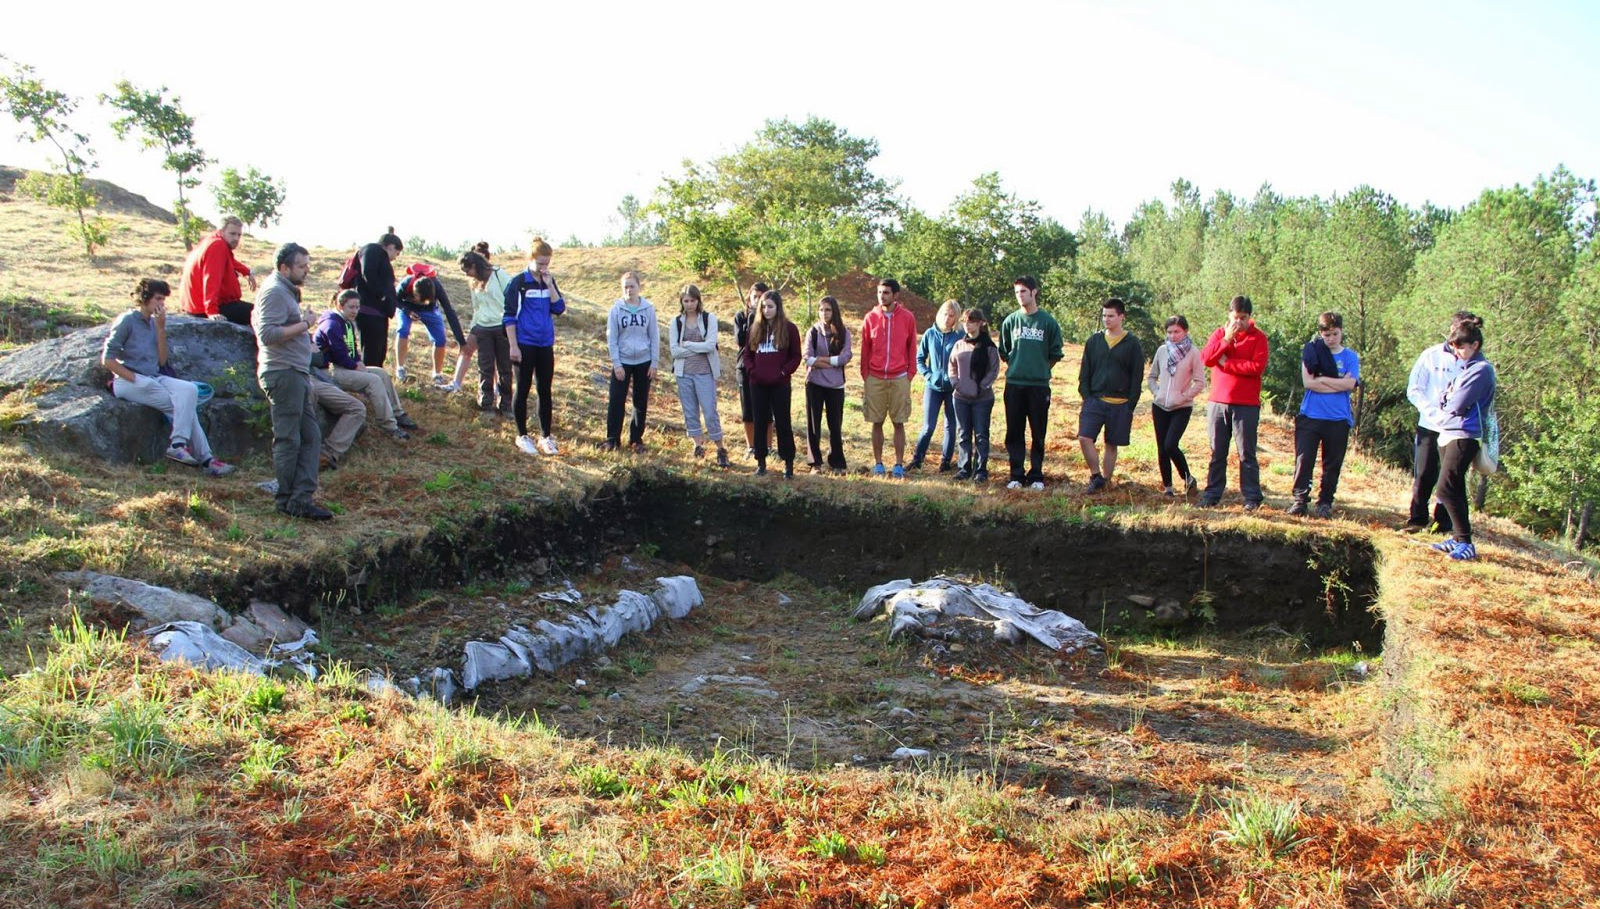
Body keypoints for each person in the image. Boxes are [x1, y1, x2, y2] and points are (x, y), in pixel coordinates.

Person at [102, 278, 234, 476]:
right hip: (128, 381)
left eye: (163, 300)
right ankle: (206, 460)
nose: (161, 304)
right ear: (144, 298)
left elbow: (162, 361)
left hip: (152, 377)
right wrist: (134, 378)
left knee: (189, 390)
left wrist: (161, 329)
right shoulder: (127, 320)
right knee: (182, 406)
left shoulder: (153, 324)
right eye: (158, 299)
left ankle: (179, 444)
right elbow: (107, 359)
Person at [252, 243, 332, 520]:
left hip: (293, 372)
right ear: (284, 267)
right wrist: (305, 324)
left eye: (307, 264)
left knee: (310, 436)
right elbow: (268, 334)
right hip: (283, 373)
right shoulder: (274, 291)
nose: (307, 270)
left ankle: (300, 499)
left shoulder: (283, 291)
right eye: (301, 265)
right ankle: (287, 501)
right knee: (289, 439)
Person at [1402, 311, 1476, 533]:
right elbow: (1414, 389)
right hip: (1430, 425)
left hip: (1457, 431)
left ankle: (1443, 523)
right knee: (1424, 473)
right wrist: (1432, 412)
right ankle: (1417, 519)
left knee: (1451, 477)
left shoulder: (1475, 363)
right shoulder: (1431, 355)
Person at [313, 290, 419, 441]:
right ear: (340, 305)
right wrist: (355, 366)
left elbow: (352, 348)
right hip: (329, 372)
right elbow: (338, 354)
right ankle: (389, 426)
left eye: (357, 307)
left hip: (344, 367)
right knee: (373, 380)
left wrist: (358, 362)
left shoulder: (347, 322)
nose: (355, 311)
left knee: (380, 373)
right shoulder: (331, 324)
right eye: (351, 307)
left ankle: (397, 413)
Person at [1430, 316, 1495, 561]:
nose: (1456, 352)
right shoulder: (1466, 369)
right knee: (1454, 487)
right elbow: (1445, 398)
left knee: (1445, 487)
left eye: (1461, 347)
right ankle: (1458, 539)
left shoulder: (1481, 370)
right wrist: (1448, 398)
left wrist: (1449, 398)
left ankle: (1466, 541)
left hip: (1465, 435)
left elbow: (1455, 402)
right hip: (1451, 432)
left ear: (1475, 345)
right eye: (1454, 347)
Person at [1198, 295, 1270, 510]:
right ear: (1229, 315)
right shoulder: (1220, 333)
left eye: (1243, 318)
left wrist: (1228, 363)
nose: (1238, 322)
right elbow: (1206, 359)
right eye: (1235, 317)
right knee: (1217, 451)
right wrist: (1226, 341)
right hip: (1218, 403)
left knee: (1246, 452)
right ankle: (1211, 495)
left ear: (1250, 317)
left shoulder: (1259, 338)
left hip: (1246, 404)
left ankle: (1251, 497)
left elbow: (1256, 367)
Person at [1288, 312, 1360, 518]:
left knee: (1332, 463)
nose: (1331, 339)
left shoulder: (1350, 356)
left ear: (1341, 332)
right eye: (1327, 334)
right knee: (1304, 459)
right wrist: (1338, 384)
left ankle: (1325, 502)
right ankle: (1300, 500)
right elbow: (1309, 382)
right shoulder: (1312, 351)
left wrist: (1323, 381)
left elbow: (1350, 384)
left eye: (1335, 334)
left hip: (1338, 418)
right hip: (1311, 414)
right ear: (1321, 333)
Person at [998, 275, 1063, 490]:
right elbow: (1005, 351)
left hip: (1038, 386)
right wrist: (1019, 366)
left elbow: (1055, 353)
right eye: (1016, 292)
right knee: (1014, 431)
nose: (1020, 296)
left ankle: (1036, 475)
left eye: (1023, 292)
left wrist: (1040, 369)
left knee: (1038, 432)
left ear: (1034, 292)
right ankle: (1016, 474)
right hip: (1014, 384)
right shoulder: (1010, 321)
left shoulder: (1048, 322)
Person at [503, 237, 566, 456]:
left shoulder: (548, 280)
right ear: (530, 259)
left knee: (544, 390)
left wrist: (549, 285)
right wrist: (513, 346)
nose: (543, 267)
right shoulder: (518, 282)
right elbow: (509, 317)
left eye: (547, 263)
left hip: (545, 343)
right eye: (540, 263)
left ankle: (545, 437)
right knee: (523, 388)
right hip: (524, 343)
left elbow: (559, 308)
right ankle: (522, 435)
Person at [1077, 297, 1145, 492]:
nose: (1107, 319)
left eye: (1111, 316)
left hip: (1121, 402)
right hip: (1095, 400)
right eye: (1104, 315)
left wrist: (1130, 403)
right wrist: (1087, 396)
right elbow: (1085, 371)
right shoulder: (1094, 341)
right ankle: (1095, 475)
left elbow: (1137, 375)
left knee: (1111, 444)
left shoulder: (1131, 343)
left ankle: (1105, 480)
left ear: (1121, 317)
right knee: (1084, 437)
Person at [860, 278, 918, 478]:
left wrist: (910, 374)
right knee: (876, 421)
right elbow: (865, 348)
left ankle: (899, 464)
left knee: (898, 422)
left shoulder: (908, 317)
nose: (881, 296)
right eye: (879, 292)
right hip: (875, 377)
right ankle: (878, 463)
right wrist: (865, 375)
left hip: (900, 377)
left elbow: (912, 346)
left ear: (895, 295)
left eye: (886, 292)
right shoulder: (870, 318)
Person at [742, 289, 802, 477]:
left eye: (770, 306)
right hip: (758, 383)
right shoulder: (755, 328)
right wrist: (753, 371)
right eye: (764, 307)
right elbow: (747, 354)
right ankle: (761, 462)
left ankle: (788, 464)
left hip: (780, 383)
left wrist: (783, 372)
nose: (767, 310)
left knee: (783, 422)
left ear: (778, 307)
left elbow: (795, 356)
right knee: (760, 421)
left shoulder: (789, 328)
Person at [668, 283, 729, 466]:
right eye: (686, 301)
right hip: (684, 373)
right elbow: (675, 352)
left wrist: (688, 345)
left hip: (705, 372)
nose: (689, 304)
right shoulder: (676, 322)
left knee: (710, 411)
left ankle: (720, 448)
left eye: (692, 300)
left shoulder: (709, 319)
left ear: (698, 300)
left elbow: (710, 345)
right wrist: (696, 349)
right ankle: (698, 446)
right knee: (690, 411)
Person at [1145, 315, 1207, 496]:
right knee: (1161, 447)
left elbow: (1200, 382)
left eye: (1177, 332)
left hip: (1181, 407)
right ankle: (1168, 487)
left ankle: (1187, 478)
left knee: (1170, 444)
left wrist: (1183, 397)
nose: (1173, 335)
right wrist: (1157, 392)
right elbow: (1151, 376)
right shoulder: (1162, 350)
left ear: (1185, 331)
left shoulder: (1193, 353)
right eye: (1170, 332)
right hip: (1160, 406)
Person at [603, 271, 660, 452]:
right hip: (623, 361)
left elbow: (654, 336)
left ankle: (636, 440)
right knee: (616, 400)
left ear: (639, 287)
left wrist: (654, 362)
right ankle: (613, 439)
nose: (629, 290)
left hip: (644, 360)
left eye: (632, 286)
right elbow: (612, 338)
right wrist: (616, 363)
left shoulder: (648, 308)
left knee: (640, 401)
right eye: (625, 286)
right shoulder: (616, 309)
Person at [459, 250, 514, 417]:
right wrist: (473, 329)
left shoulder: (499, 275)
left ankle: (506, 405)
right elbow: (477, 309)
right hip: (483, 329)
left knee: (505, 367)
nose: (467, 275)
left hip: (502, 327)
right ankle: (486, 404)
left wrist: (513, 324)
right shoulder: (474, 283)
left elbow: (513, 299)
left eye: (468, 270)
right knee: (485, 367)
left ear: (475, 265)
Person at [394, 263, 467, 387]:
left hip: (429, 310)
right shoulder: (406, 283)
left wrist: (461, 340)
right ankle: (400, 368)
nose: (420, 302)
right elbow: (394, 299)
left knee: (440, 339)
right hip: (406, 307)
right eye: (418, 298)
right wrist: (407, 311)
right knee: (403, 330)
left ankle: (437, 374)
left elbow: (449, 311)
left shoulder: (437, 287)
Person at [947, 308, 999, 482]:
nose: (967, 325)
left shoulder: (989, 347)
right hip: (961, 397)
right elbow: (952, 366)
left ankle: (981, 469)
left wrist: (983, 386)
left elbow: (993, 370)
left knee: (981, 434)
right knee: (963, 433)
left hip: (982, 398)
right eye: (965, 321)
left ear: (980, 323)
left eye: (971, 321)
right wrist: (956, 383)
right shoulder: (959, 345)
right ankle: (964, 468)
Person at [802, 295, 853, 473]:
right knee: (814, 424)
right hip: (815, 383)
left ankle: (837, 462)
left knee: (835, 425)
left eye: (828, 310)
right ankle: (815, 463)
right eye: (821, 309)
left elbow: (846, 357)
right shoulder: (813, 332)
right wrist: (832, 362)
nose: (824, 313)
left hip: (836, 385)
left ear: (834, 311)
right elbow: (807, 358)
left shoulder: (844, 332)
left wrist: (821, 361)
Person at [910, 300, 961, 472]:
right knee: (928, 426)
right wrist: (928, 375)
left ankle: (945, 462)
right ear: (940, 314)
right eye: (945, 314)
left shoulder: (959, 336)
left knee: (950, 425)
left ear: (956, 318)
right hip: (933, 386)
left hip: (953, 388)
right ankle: (917, 459)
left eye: (952, 315)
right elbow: (919, 359)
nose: (948, 318)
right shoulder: (930, 334)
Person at [178, 216, 256, 325]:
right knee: (265, 314)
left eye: (239, 235)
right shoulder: (218, 246)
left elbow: (230, 261)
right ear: (221, 231)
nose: (236, 238)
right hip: (204, 309)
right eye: (232, 234)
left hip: (194, 307)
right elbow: (211, 279)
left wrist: (247, 272)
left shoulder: (212, 241)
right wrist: (212, 312)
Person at [351, 229, 405, 368]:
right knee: (371, 352)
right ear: (390, 246)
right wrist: (382, 296)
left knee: (379, 352)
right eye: (396, 253)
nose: (394, 258)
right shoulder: (372, 249)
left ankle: (375, 383)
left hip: (378, 313)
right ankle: (367, 384)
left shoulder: (377, 254)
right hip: (370, 311)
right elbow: (368, 273)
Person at [733, 282, 770, 458]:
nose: (757, 300)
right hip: (744, 367)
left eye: (761, 297)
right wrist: (751, 319)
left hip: (765, 367)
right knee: (748, 409)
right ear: (749, 298)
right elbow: (740, 340)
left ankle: (768, 447)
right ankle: (751, 447)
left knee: (766, 409)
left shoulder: (771, 318)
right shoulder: (741, 316)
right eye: (755, 297)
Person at [307, 366, 368, 471]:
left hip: (318, 377)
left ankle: (328, 452)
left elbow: (322, 358)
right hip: (294, 376)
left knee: (357, 408)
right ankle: (302, 458)